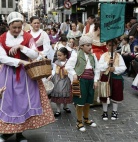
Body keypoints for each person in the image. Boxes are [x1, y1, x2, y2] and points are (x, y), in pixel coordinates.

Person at [0, 12, 55, 142]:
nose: (17, 30)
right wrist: (20, 62)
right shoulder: (2, 38)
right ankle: (4, 133)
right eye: (14, 28)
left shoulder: (28, 37)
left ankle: (20, 134)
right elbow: (2, 57)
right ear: (9, 26)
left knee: (23, 104)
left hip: (26, 76)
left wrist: (21, 47)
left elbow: (35, 55)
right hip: (8, 74)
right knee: (8, 104)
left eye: (19, 27)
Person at [65, 35, 100, 132]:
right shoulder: (76, 55)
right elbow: (68, 66)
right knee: (80, 101)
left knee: (88, 100)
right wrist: (74, 74)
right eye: (87, 45)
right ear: (81, 46)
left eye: (90, 45)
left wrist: (96, 80)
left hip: (90, 80)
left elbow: (97, 69)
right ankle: (79, 121)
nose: (90, 47)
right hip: (81, 81)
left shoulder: (93, 56)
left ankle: (86, 118)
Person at [99, 39, 126, 121]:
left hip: (116, 77)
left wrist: (114, 69)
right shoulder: (104, 56)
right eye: (109, 45)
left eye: (113, 45)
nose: (111, 47)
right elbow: (100, 66)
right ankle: (105, 111)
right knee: (105, 94)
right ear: (106, 46)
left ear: (116, 46)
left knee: (116, 94)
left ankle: (114, 111)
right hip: (106, 77)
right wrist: (107, 63)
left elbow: (123, 67)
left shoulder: (119, 56)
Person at [49, 47, 72, 117]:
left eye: (60, 55)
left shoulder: (69, 62)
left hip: (66, 79)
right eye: (57, 55)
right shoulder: (56, 63)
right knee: (58, 94)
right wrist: (51, 76)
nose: (58, 57)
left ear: (65, 55)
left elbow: (71, 70)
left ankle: (65, 106)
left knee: (65, 94)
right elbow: (54, 70)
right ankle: (58, 110)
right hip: (57, 79)